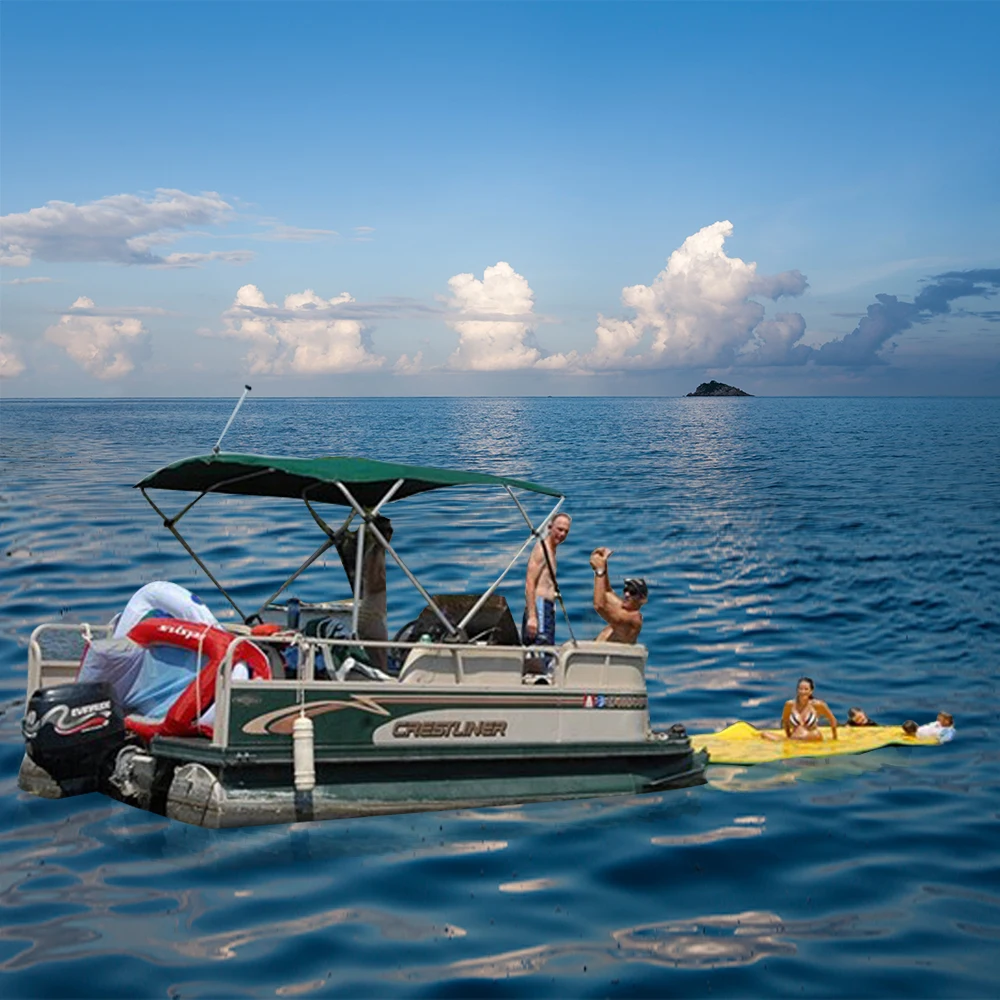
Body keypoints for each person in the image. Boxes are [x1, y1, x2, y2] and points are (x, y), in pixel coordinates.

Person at [522, 512, 571, 649]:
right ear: (550, 527)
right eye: (559, 529)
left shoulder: (552, 550)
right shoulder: (542, 549)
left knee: (546, 649)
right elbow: (530, 582)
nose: (562, 534)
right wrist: (532, 616)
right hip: (540, 607)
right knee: (540, 650)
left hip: (547, 609)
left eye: (565, 532)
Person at [589, 546, 647, 644]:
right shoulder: (624, 609)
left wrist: (600, 571)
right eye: (626, 590)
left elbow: (599, 605)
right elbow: (607, 592)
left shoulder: (633, 619)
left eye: (633, 592)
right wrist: (603, 562)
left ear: (642, 600)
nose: (627, 594)